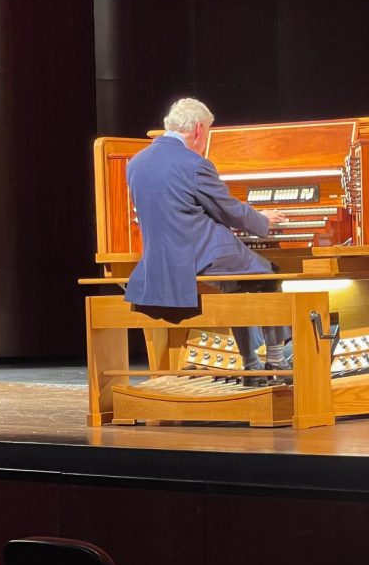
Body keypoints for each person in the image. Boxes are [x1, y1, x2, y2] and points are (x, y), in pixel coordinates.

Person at [124, 97, 291, 371]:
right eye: (208, 135)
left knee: (238, 284)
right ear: (200, 130)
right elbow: (228, 209)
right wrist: (262, 219)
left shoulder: (136, 162)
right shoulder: (194, 164)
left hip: (158, 258)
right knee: (268, 275)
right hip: (199, 254)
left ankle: (251, 360)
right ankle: (275, 357)